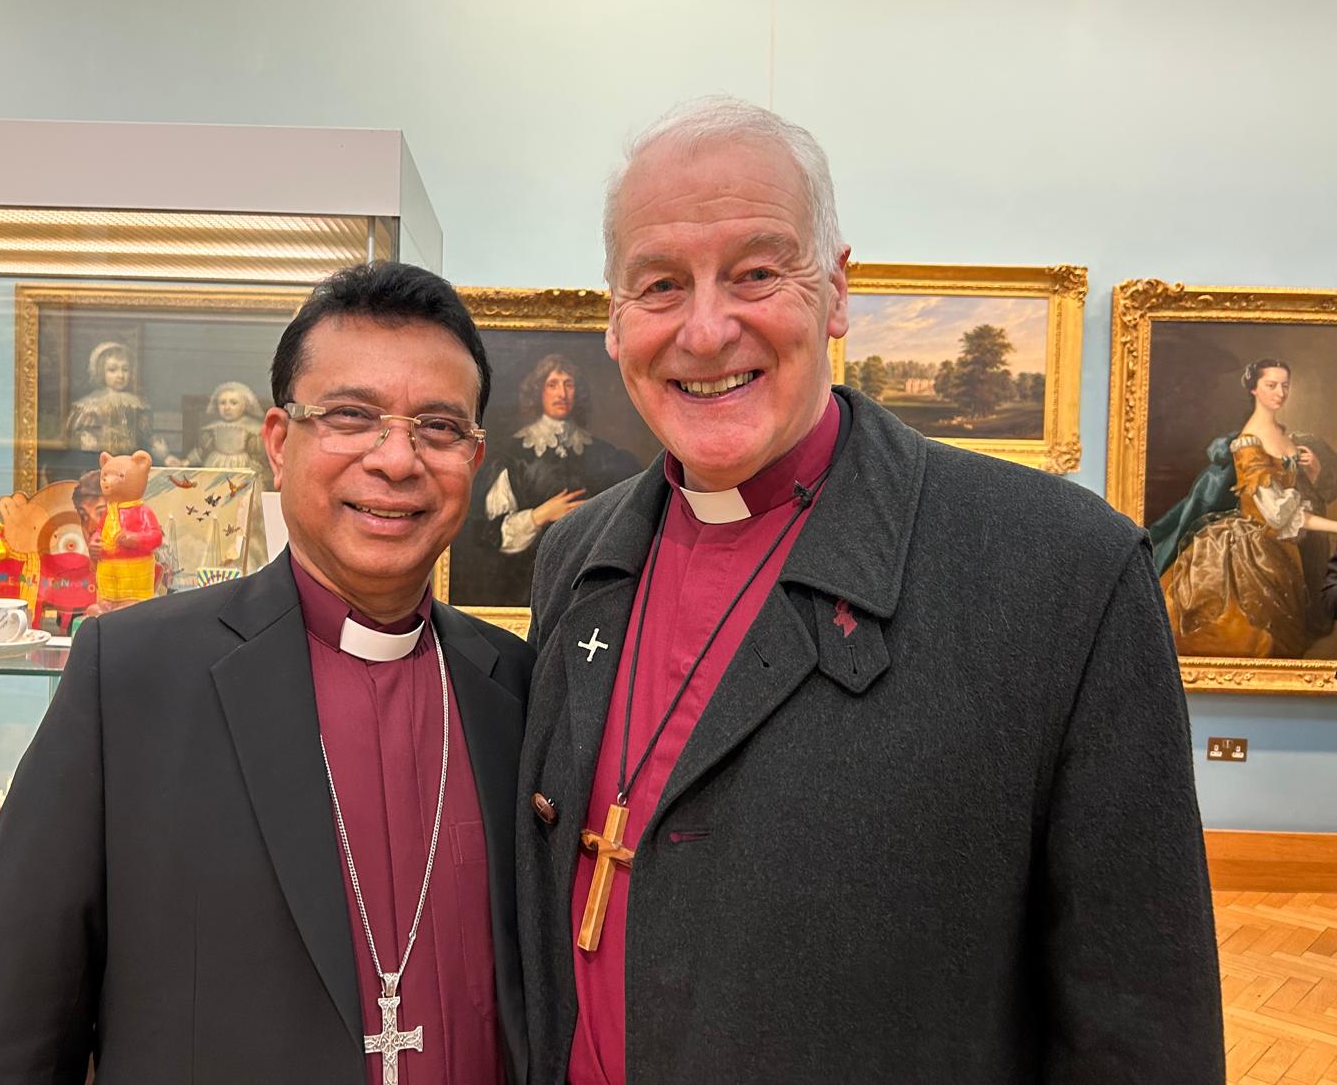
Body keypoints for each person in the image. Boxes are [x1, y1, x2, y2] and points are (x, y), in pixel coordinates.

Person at [515, 98, 1223, 1083]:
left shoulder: (1061, 570)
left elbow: (1140, 1030)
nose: (707, 328)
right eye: (660, 285)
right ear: (614, 320)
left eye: (756, 273)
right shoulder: (576, 556)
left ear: (836, 291)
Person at [0, 261, 534, 1084]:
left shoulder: (514, 684)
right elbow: (13, 1041)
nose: (396, 460)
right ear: (279, 443)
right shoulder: (131, 678)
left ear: (474, 458)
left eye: (437, 428)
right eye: (351, 416)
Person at [1155, 358, 1337, 657]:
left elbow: (1298, 494)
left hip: (1284, 547)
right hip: (1254, 549)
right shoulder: (1249, 444)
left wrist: (1313, 471)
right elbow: (1284, 516)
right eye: (1271, 385)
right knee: (1252, 636)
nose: (1280, 393)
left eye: (1285, 386)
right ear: (1253, 389)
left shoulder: (1285, 435)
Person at [464, 355, 640, 606]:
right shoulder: (513, 456)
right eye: (552, 384)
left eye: (568, 384)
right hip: (525, 585)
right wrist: (541, 515)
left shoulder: (603, 454)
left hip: (588, 585)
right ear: (538, 392)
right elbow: (491, 534)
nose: (562, 393)